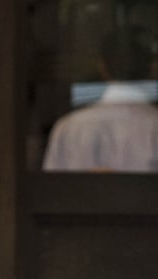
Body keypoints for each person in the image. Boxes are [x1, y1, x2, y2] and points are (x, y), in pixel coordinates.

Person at [43, 29, 158, 172]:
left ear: (102, 66)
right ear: (153, 67)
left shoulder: (67, 128)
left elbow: (52, 190)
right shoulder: (154, 124)